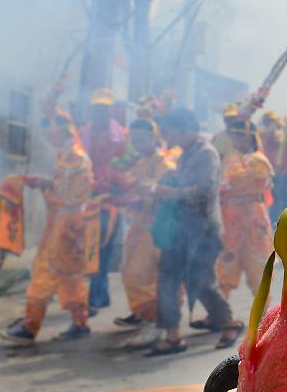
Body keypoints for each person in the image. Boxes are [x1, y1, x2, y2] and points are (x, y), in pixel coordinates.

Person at [147, 108, 242, 355]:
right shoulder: (185, 154)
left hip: (203, 229)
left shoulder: (207, 154)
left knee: (199, 281)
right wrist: (171, 180)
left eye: (173, 132)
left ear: (187, 130)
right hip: (180, 228)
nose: (171, 138)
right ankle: (173, 336)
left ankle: (228, 322)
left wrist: (172, 192)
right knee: (167, 277)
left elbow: (204, 192)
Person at [0, 110, 95, 345]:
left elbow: (70, 195)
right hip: (69, 222)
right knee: (71, 275)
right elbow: (64, 186)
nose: (46, 137)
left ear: (62, 129)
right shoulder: (68, 154)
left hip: (65, 223)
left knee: (45, 271)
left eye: (48, 131)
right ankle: (80, 322)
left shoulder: (75, 156)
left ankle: (30, 326)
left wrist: (43, 186)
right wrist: (43, 183)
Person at [113, 118, 175, 348]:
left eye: (143, 138)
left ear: (154, 137)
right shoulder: (141, 161)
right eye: (135, 138)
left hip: (158, 226)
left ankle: (155, 322)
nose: (138, 142)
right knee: (134, 271)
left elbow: (162, 193)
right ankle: (151, 318)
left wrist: (140, 194)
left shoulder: (165, 163)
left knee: (137, 274)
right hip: (141, 224)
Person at [213, 118, 275, 307]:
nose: (237, 139)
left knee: (258, 268)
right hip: (231, 217)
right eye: (234, 135)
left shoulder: (258, 160)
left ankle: (263, 317)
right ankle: (220, 313)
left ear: (251, 137)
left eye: (241, 135)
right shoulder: (231, 157)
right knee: (225, 265)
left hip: (253, 218)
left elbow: (245, 183)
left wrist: (225, 188)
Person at [79, 88, 128, 316]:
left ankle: (96, 298)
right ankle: (98, 295)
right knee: (90, 248)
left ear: (110, 111)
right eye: (96, 108)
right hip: (87, 196)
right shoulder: (83, 134)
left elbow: (128, 163)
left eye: (104, 109)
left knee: (101, 248)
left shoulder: (122, 136)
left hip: (111, 197)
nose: (100, 113)